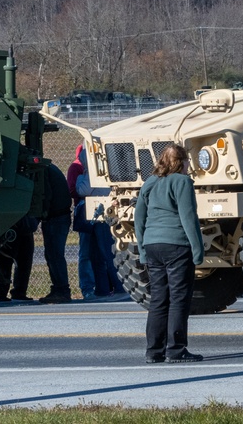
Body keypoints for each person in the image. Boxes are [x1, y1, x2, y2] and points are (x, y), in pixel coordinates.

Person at [135, 143, 205, 363]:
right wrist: (197, 249)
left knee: (158, 299)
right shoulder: (183, 182)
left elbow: (139, 218)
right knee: (178, 299)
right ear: (182, 162)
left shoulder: (149, 183)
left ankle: (153, 351)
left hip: (152, 246)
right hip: (176, 246)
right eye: (187, 162)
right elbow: (188, 217)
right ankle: (175, 349)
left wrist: (143, 248)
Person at [75, 150, 124, 298]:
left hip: (99, 216)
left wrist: (80, 178)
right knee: (98, 255)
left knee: (104, 253)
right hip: (101, 216)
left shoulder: (92, 174)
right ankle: (103, 288)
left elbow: (82, 190)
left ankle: (117, 286)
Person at [39, 163, 73, 304]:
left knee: (54, 255)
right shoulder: (49, 168)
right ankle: (59, 288)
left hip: (55, 217)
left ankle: (62, 290)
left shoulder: (44, 170)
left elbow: (46, 194)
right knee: (53, 255)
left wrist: (40, 214)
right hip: (59, 216)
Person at [0, 216, 38, 302]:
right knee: (4, 261)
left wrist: (35, 219)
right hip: (6, 225)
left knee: (25, 261)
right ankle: (0, 293)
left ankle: (19, 293)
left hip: (26, 225)